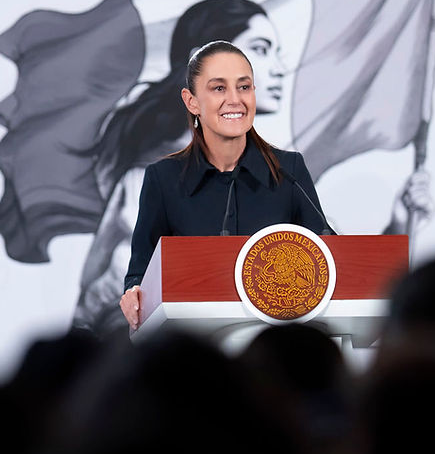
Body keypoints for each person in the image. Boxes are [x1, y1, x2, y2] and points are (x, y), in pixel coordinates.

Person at [73, 0, 286, 336]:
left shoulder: (276, 176)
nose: (280, 68)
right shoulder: (150, 180)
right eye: (260, 49)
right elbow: (109, 301)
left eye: (277, 52)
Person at [119, 40, 329, 329]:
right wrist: (133, 294)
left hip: (274, 344)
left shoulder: (289, 170)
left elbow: (325, 258)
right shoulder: (163, 178)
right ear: (191, 101)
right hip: (194, 344)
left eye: (244, 87)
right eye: (219, 88)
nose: (235, 99)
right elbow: (140, 275)